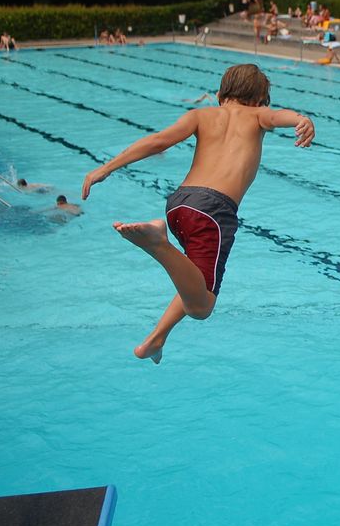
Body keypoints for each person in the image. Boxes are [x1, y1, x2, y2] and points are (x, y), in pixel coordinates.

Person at [80, 63, 315, 364]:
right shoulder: (257, 115)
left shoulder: (201, 115)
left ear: (220, 94)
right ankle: (157, 243)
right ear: (259, 100)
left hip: (180, 204)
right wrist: (301, 119)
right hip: (214, 212)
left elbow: (157, 141)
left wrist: (104, 169)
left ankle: (156, 338)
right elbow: (277, 117)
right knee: (202, 307)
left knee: (194, 278)